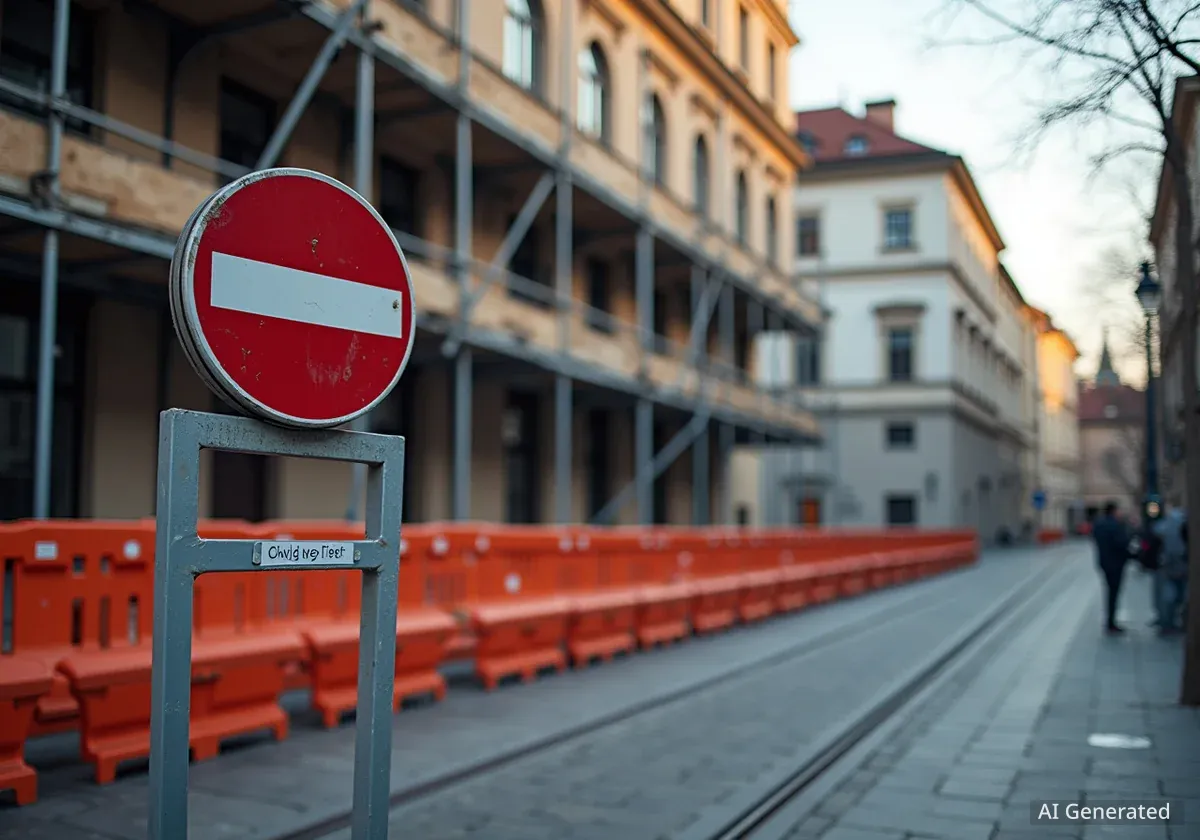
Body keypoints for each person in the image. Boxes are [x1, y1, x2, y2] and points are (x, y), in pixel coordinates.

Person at [1091, 501, 1133, 634]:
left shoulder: (1098, 525)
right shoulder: (1115, 525)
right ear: (1114, 511)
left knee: (1110, 591)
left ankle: (1110, 621)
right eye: (1119, 510)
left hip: (1104, 562)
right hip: (1116, 563)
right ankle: (1111, 622)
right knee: (1114, 592)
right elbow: (1122, 543)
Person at [1153, 503, 1189, 635]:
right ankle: (1170, 622)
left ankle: (1167, 622)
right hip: (1179, 566)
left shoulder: (1165, 525)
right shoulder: (1180, 524)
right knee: (1176, 596)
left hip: (1169, 567)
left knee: (1169, 596)